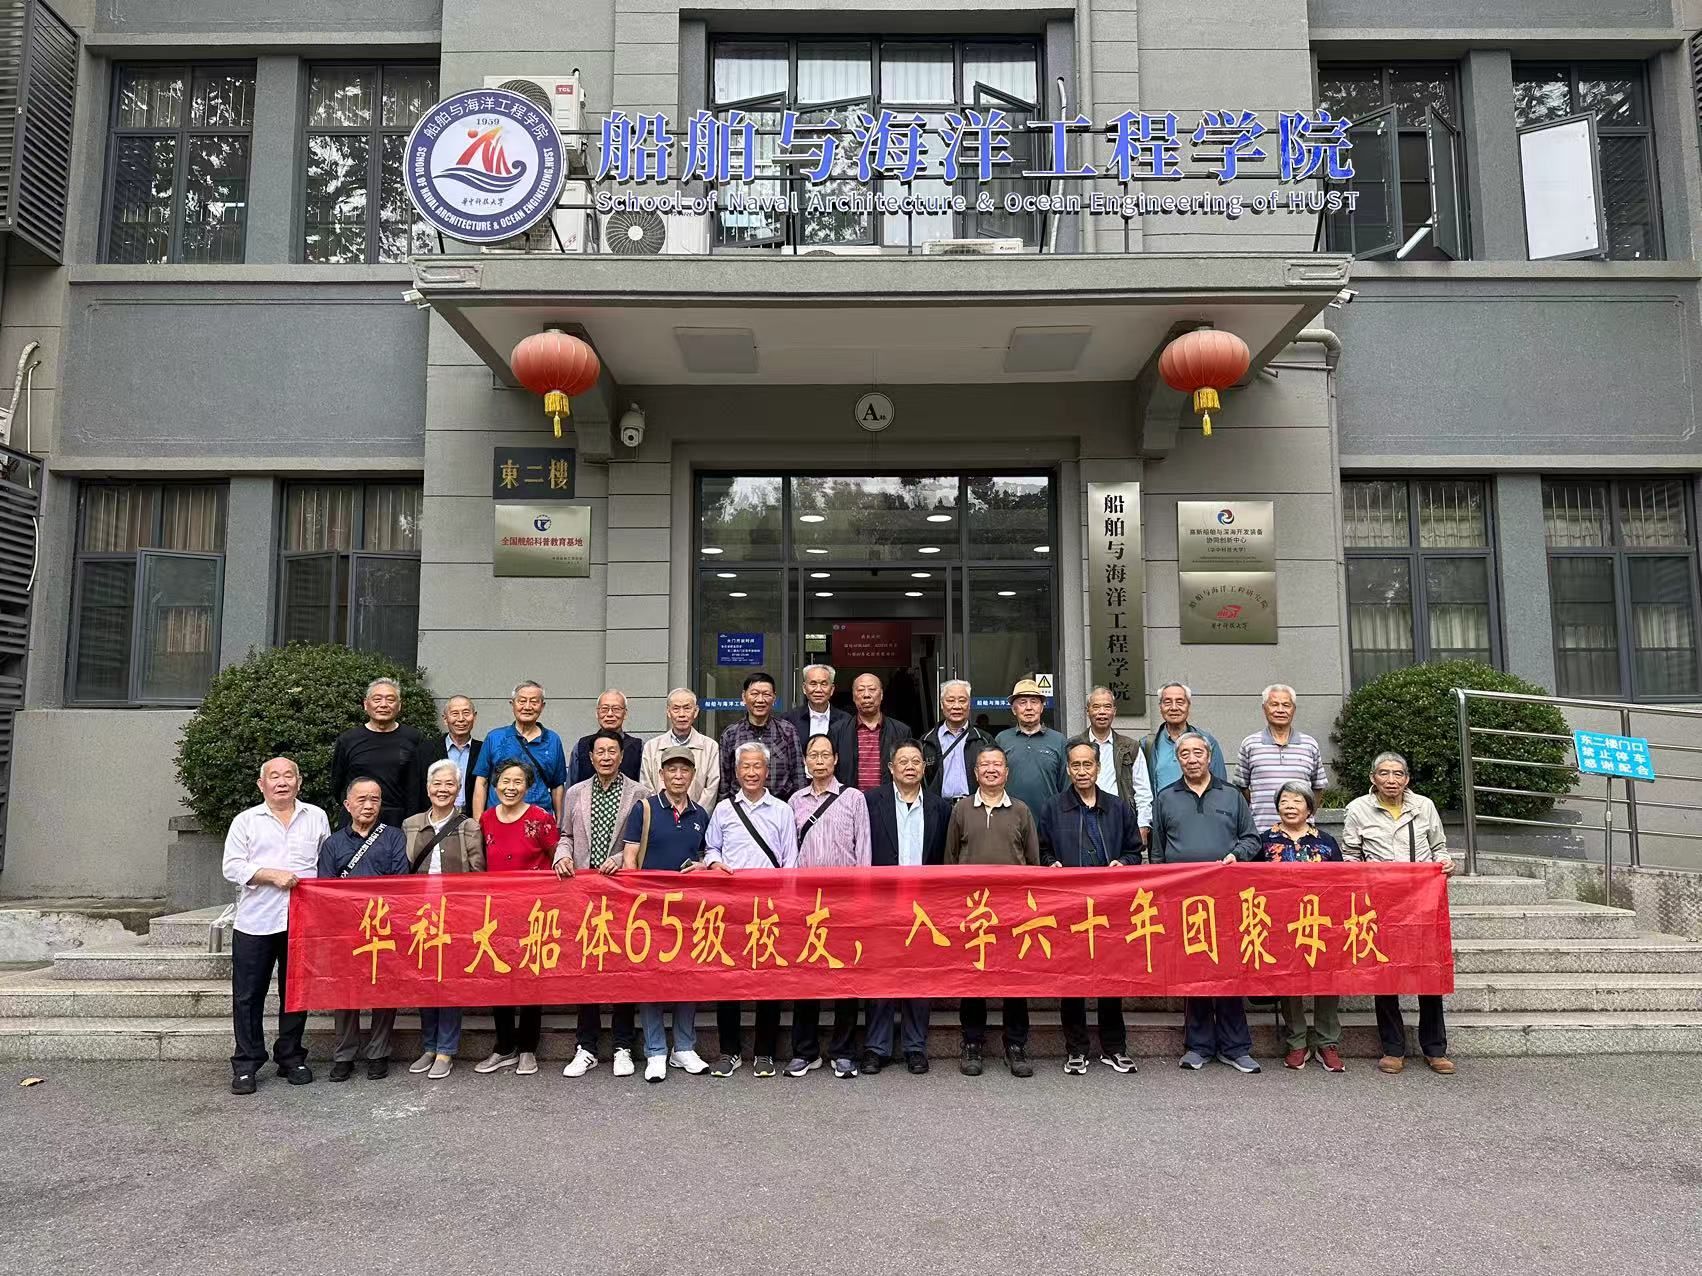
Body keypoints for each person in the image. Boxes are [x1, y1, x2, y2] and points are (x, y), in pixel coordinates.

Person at [1150, 732, 1261, 1075]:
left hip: (1226, 896)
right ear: (1177, 760)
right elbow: (1157, 852)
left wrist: (1236, 855)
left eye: (1198, 752)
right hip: (1184, 899)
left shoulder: (1231, 795)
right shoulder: (1166, 798)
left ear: (1209, 756)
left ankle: (1235, 1047)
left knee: (1228, 970)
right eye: (1185, 754)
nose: (1192, 759)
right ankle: (1198, 1045)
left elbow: (1252, 838)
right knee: (1194, 970)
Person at [1342, 751, 1456, 1077]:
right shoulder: (1358, 809)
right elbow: (1350, 855)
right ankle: (1392, 1048)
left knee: (1429, 972)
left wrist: (1445, 863)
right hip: (1380, 903)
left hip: (1422, 901)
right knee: (1386, 973)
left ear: (1407, 779)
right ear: (1372, 778)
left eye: (1397, 774)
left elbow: (1439, 848)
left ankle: (1435, 1048)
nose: (1391, 780)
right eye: (1384, 773)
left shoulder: (1424, 806)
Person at [222, 756, 329, 1096]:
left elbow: (325, 863)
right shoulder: (246, 821)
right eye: (274, 776)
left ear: (299, 781)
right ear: (261, 784)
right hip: (257, 920)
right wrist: (270, 875)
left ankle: (291, 1056)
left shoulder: (317, 817)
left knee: (295, 993)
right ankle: (247, 1062)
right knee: (248, 995)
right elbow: (231, 866)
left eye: (288, 776)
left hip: (302, 919)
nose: (282, 782)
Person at [1039, 740, 1143, 1076]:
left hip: (1109, 905)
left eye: (1088, 764)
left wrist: (1122, 863)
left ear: (1098, 768)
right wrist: (1051, 863)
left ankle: (1114, 1048)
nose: (1082, 771)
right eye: (1076, 765)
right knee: (1072, 979)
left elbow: (1134, 851)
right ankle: (1076, 1049)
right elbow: (1041, 850)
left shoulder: (1118, 808)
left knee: (1110, 977)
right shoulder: (1053, 808)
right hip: (1069, 905)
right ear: (1068, 769)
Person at [699, 740, 799, 1077]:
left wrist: (787, 904)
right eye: (746, 766)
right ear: (737, 771)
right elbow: (711, 848)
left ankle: (764, 1052)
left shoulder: (782, 810)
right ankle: (729, 1051)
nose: (752, 772)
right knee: (728, 979)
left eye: (758, 766)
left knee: (768, 980)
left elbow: (790, 861)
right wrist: (714, 863)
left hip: (770, 908)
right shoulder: (724, 810)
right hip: (731, 907)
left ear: (767, 771)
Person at [557, 728, 652, 1080]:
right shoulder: (576, 793)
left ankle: (623, 1045)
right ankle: (586, 1046)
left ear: (622, 756)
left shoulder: (640, 793)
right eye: (600, 752)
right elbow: (565, 835)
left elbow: (644, 840)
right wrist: (561, 856)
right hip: (583, 892)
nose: (607, 757)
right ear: (591, 757)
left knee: (623, 967)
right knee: (586, 968)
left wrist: (619, 857)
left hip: (622, 891)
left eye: (613, 751)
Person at [944, 747, 1040, 1078]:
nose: (991, 769)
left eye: (997, 764)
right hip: (973, 912)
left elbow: (1033, 862)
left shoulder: (1021, 810)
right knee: (973, 979)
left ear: (1007, 772)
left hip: (1012, 911)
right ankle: (972, 1042)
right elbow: (950, 859)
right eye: (984, 764)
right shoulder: (961, 810)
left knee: (1014, 980)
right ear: (975, 773)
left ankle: (1016, 1044)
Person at [622, 745, 714, 1082]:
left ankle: (684, 1047)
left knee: (688, 978)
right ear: (661, 774)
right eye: (672, 770)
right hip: (648, 910)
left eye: (684, 770)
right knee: (652, 981)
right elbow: (630, 858)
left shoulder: (700, 815)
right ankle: (656, 1050)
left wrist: (703, 866)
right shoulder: (645, 808)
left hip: (688, 911)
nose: (678, 776)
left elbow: (705, 855)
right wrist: (634, 901)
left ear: (692, 775)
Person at [785, 732, 872, 1080]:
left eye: (825, 755)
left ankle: (843, 1051)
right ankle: (805, 1051)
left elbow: (864, 850)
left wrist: (863, 899)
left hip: (845, 900)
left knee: (845, 977)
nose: (819, 760)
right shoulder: (795, 801)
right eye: (813, 755)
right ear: (805, 761)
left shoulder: (853, 798)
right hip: (806, 902)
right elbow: (789, 853)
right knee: (805, 977)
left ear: (836, 759)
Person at [318, 776, 411, 1082]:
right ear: (347, 805)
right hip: (346, 929)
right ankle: (344, 1054)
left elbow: (399, 881)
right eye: (361, 799)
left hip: (384, 926)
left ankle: (378, 1052)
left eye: (375, 799)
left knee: (384, 990)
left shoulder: (394, 837)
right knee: (346, 993)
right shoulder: (333, 844)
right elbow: (326, 888)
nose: (369, 805)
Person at [864, 740, 949, 1074]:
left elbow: (944, 858)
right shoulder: (872, 802)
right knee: (880, 977)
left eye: (916, 761)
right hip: (883, 902)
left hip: (924, 906)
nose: (910, 766)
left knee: (919, 978)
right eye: (903, 761)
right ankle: (877, 1048)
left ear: (924, 767)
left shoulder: (940, 807)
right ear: (891, 768)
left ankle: (915, 1047)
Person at [475, 758, 563, 1077]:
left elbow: (555, 858)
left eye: (518, 782)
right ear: (495, 785)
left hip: (532, 912)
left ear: (528, 786)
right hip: (496, 912)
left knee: (530, 979)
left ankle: (527, 1047)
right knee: (499, 978)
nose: (510, 787)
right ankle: (504, 1047)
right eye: (505, 781)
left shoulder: (540, 818)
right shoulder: (486, 819)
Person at [402, 759, 487, 1079]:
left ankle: (446, 1050)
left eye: (449, 784)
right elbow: (402, 871)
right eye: (437, 784)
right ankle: (429, 1045)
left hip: (455, 916)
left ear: (459, 789)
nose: (443, 789)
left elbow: (478, 873)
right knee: (425, 982)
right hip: (420, 916)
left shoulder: (469, 826)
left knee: (449, 982)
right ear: (427, 788)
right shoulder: (410, 824)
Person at [1258, 780, 1346, 1073]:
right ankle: (1297, 1041)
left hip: (1322, 921)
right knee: (1289, 980)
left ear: (1310, 808)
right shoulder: (1264, 841)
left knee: (1327, 980)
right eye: (1284, 801)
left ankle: (1327, 1042)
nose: (1290, 806)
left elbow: (1342, 882)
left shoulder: (1326, 841)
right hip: (1281, 923)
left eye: (1297, 801)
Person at [329, 677, 425, 828]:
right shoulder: (348, 739)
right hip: (356, 821)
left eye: (390, 699)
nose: (383, 705)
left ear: (399, 705)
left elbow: (417, 786)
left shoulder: (414, 738)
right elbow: (337, 785)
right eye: (377, 699)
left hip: (398, 822)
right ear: (366, 704)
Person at [472, 680, 568, 823]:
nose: (527, 707)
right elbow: (482, 782)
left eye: (534, 702)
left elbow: (557, 786)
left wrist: (559, 823)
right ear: (512, 704)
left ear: (542, 706)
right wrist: (478, 823)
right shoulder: (495, 737)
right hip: (498, 822)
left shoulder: (552, 740)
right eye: (522, 701)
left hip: (539, 823)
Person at [1068, 685, 1153, 846]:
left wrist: (1143, 826)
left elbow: (1143, 792)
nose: (1102, 712)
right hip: (1081, 820)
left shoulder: (1130, 747)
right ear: (1087, 711)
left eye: (1107, 707)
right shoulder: (1074, 746)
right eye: (1096, 707)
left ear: (1114, 711)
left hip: (1120, 821)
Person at [1236, 684, 1328, 831]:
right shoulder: (1250, 744)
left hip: (1302, 834)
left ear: (1294, 709)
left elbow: (1318, 787)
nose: (1280, 710)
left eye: (1286, 705)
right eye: (1274, 704)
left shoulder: (1309, 744)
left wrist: (1306, 816)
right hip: (1261, 831)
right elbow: (1242, 788)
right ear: (1264, 708)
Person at [717, 671, 804, 803]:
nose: (760, 700)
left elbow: (798, 777)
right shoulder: (731, 734)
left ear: (774, 698)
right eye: (754, 694)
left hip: (779, 807)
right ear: (744, 697)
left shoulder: (788, 731)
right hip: (741, 808)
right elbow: (724, 782)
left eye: (766, 694)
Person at [640, 687, 721, 812]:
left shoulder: (710, 747)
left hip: (696, 818)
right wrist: (659, 814)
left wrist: (697, 815)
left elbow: (711, 789)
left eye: (687, 708)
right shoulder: (652, 747)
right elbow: (646, 787)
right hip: (658, 818)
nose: (681, 714)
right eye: (676, 709)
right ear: (668, 712)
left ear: (696, 711)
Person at [995, 678, 1068, 815]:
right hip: (1009, 818)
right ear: (1014, 709)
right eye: (1022, 702)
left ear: (1042, 707)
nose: (1029, 707)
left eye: (1034, 702)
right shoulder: (1002, 739)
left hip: (1049, 818)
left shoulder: (1058, 740)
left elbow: (1066, 786)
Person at [1140, 682, 1227, 793]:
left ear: (1188, 706)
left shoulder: (1207, 741)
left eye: (1180, 702)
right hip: (1162, 804)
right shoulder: (1147, 744)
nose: (1174, 708)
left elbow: (1220, 785)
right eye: (1167, 702)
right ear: (1160, 707)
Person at [781, 663, 855, 787]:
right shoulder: (789, 720)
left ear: (832, 689)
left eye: (824, 684)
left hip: (836, 788)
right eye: (813, 684)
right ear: (804, 688)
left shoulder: (846, 721)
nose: (818, 689)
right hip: (798, 787)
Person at [919, 678, 991, 801]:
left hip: (974, 806)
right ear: (941, 704)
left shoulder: (984, 740)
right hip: (938, 806)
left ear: (969, 704)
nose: (956, 706)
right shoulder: (926, 742)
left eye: (962, 701)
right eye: (950, 700)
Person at [418, 694, 482, 817]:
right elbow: (416, 791)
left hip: (472, 818)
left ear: (474, 717)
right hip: (435, 817)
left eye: (466, 713)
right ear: (445, 719)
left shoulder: (483, 750)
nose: (461, 719)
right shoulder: (425, 750)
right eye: (455, 714)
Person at [847, 672, 912, 792]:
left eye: (872, 689)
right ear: (853, 696)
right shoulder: (838, 731)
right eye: (860, 690)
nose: (866, 695)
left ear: (881, 695)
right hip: (849, 799)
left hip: (888, 798)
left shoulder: (901, 731)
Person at [568, 688, 644, 786]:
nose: (610, 714)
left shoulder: (638, 747)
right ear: (597, 713)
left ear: (625, 714)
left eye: (616, 709)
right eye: (604, 709)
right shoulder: (581, 746)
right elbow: (571, 787)